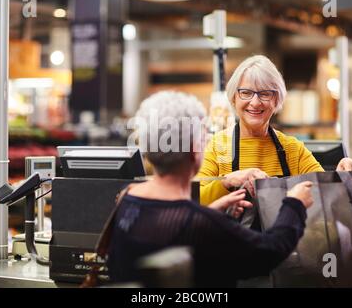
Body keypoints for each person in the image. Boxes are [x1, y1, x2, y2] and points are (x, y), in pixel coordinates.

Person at [107, 91, 314, 287]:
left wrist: (210, 211)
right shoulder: (204, 225)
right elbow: (269, 251)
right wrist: (294, 205)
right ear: (194, 151)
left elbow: (172, 237)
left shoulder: (127, 198)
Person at [198, 55, 352, 205]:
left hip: (282, 237)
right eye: (246, 93)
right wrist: (227, 182)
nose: (255, 102)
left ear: (276, 100)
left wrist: (341, 175)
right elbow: (196, 199)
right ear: (234, 98)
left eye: (265, 94)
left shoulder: (292, 149)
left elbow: (325, 196)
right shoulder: (216, 146)